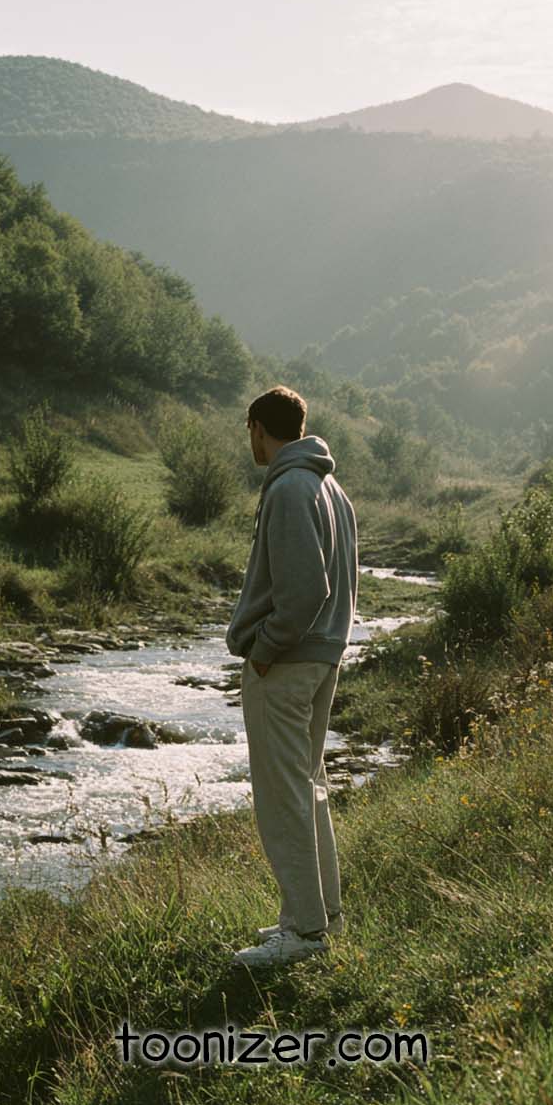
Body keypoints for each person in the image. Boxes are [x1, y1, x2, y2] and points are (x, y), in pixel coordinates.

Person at [226, 385, 358, 967]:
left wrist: (265, 649)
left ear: (258, 426)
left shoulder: (287, 486)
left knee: (283, 797)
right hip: (324, 656)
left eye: (248, 431)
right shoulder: (332, 488)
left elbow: (306, 589)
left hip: (287, 661)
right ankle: (320, 916)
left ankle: (302, 934)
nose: (249, 443)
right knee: (309, 789)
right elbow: (342, 586)